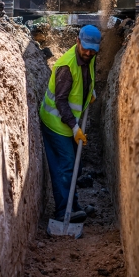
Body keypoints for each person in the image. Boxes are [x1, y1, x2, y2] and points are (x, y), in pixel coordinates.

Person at [39, 25, 101, 223]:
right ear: (77, 41)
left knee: (75, 165)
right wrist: (75, 128)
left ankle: (73, 207)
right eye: (86, 48)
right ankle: (62, 212)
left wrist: (90, 91)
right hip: (56, 122)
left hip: (68, 121)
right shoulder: (66, 66)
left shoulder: (89, 56)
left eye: (93, 49)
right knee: (65, 165)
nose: (89, 52)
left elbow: (86, 77)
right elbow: (61, 101)